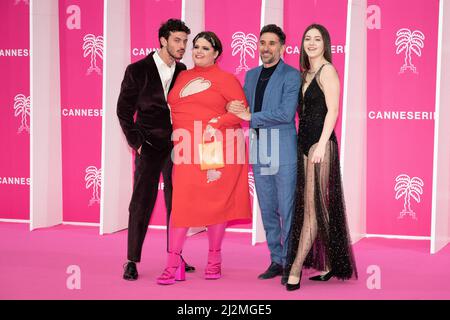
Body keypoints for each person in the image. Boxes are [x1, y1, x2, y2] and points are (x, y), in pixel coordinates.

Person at [156, 31, 251, 285]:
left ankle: (214, 260)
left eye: (205, 48)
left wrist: (216, 121)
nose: (198, 51)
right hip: (185, 150)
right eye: (196, 46)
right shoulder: (183, 75)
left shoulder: (226, 79)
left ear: (216, 53)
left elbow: (241, 112)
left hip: (212, 148)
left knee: (214, 205)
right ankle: (173, 263)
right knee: (181, 206)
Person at [117, 19, 195, 281]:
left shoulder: (183, 70)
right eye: (177, 40)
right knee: (141, 203)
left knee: (179, 204)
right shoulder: (137, 70)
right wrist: (136, 141)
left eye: (185, 41)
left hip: (177, 147)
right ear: (163, 40)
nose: (182, 46)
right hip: (149, 145)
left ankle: (175, 255)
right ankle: (131, 260)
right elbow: (124, 111)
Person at [284, 24, 358, 291]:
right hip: (304, 145)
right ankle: (329, 264)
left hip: (321, 146)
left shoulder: (327, 71)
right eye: (307, 38)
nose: (311, 43)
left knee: (313, 210)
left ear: (325, 43)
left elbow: (333, 111)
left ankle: (294, 269)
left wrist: (321, 145)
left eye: (317, 39)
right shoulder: (306, 74)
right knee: (316, 205)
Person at [228, 24, 300, 285]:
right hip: (259, 149)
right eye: (262, 43)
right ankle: (276, 259)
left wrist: (250, 116)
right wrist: (230, 106)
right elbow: (243, 105)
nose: (266, 48)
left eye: (271, 43)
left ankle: (293, 262)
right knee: (268, 208)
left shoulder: (292, 76)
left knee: (287, 207)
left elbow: (285, 113)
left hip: (283, 149)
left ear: (282, 47)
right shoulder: (250, 75)